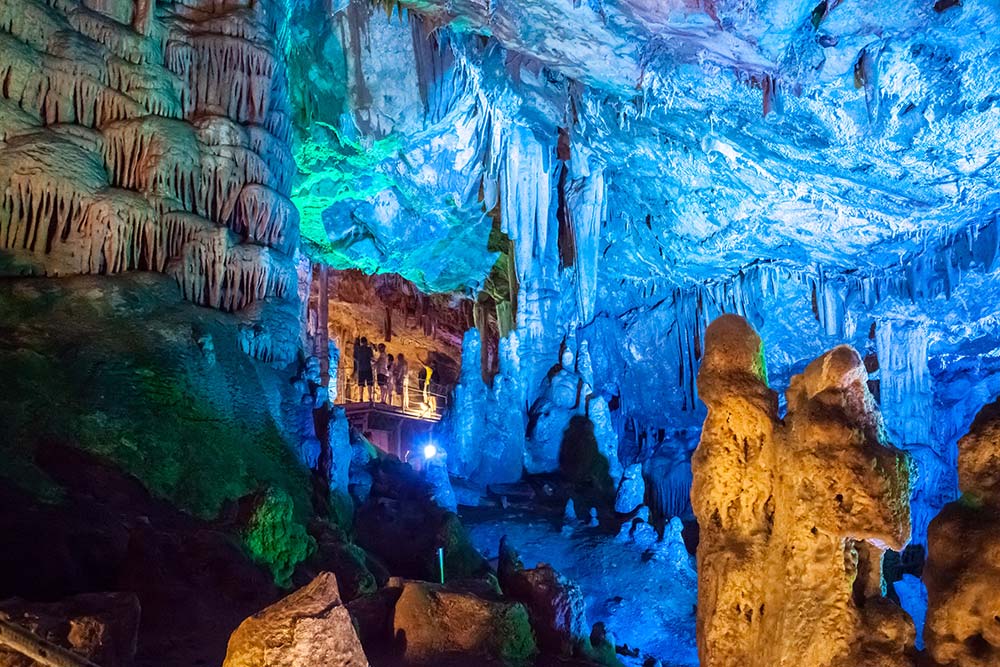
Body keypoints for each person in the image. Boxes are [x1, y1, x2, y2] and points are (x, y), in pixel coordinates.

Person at [357, 337, 374, 402]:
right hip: (368, 368)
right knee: (369, 383)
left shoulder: (358, 349)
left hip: (361, 368)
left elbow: (356, 358)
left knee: (361, 383)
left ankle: (361, 398)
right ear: (366, 342)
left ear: (361, 342)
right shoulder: (368, 349)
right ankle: (370, 397)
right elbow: (371, 357)